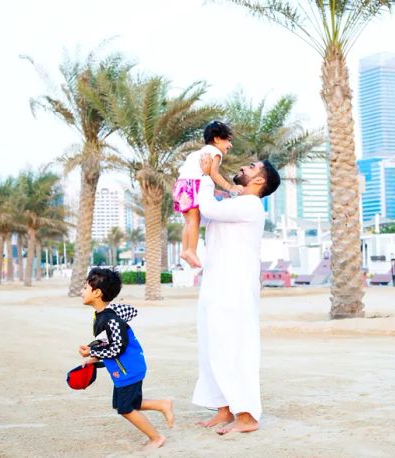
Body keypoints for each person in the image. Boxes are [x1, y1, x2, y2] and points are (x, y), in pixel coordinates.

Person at [192, 155, 281, 435]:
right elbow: (206, 211)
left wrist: (208, 175)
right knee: (213, 346)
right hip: (216, 284)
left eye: (252, 167)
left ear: (259, 180)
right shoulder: (236, 202)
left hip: (234, 288)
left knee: (233, 348)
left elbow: (208, 207)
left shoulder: (250, 205)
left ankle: (246, 417)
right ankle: (224, 410)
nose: (244, 167)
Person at [78, 267, 174, 450]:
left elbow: (117, 348)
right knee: (127, 404)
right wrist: (93, 355)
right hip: (123, 368)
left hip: (129, 368)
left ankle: (156, 438)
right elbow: (105, 341)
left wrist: (91, 353)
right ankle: (163, 404)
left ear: (97, 293)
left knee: (125, 408)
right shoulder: (102, 316)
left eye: (85, 288)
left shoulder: (110, 319)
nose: (81, 292)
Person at [173, 120, 244, 268]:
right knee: (195, 221)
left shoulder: (196, 154)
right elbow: (214, 174)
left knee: (188, 221)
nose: (230, 145)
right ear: (217, 139)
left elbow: (198, 177)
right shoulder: (215, 152)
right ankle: (192, 250)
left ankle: (185, 250)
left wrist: (218, 191)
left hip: (180, 186)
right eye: (228, 140)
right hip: (191, 185)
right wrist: (230, 187)